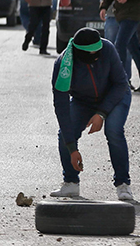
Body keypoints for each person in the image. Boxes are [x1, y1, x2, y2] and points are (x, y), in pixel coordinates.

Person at [49, 27, 134, 201]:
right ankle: (71, 183)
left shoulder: (107, 48)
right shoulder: (63, 65)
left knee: (113, 130)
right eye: (92, 53)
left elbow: (120, 83)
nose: (96, 56)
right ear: (80, 53)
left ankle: (123, 184)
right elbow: (61, 106)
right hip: (83, 101)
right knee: (65, 134)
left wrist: (101, 113)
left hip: (115, 96)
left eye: (98, 51)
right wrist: (72, 148)